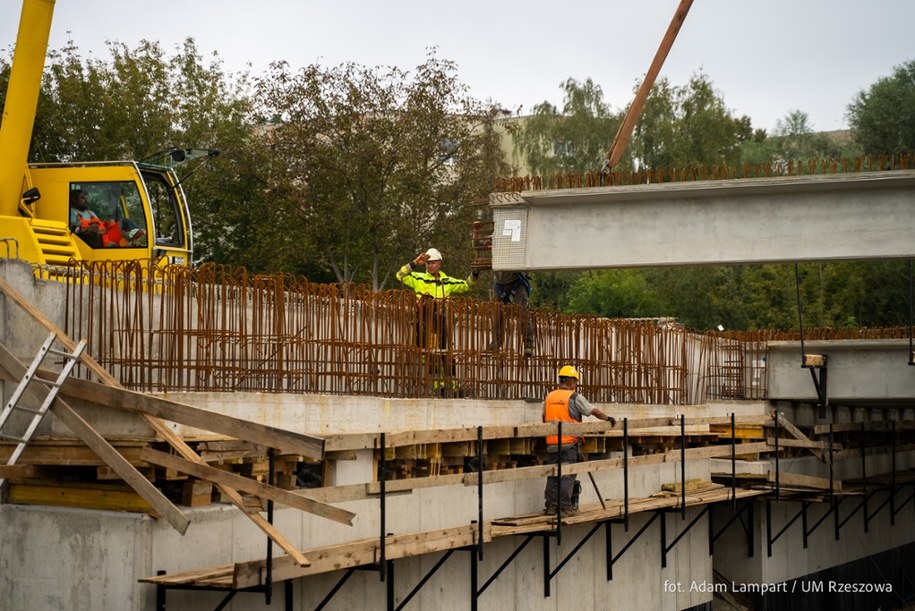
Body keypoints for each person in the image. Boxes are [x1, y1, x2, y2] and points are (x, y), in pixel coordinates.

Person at [397, 248, 476, 395]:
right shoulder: (418, 278)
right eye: (427, 263)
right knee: (430, 355)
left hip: (440, 321)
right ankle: (436, 387)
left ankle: (452, 386)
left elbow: (466, 285)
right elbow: (400, 275)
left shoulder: (447, 281)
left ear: (439, 263)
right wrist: (414, 263)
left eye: (432, 263)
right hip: (424, 322)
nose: (429, 265)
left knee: (446, 354)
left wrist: (475, 274)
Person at [543, 365, 615, 517]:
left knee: (553, 475)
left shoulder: (549, 397)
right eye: (575, 381)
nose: (575, 385)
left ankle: (550, 506)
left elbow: (544, 417)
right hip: (568, 444)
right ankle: (565, 508)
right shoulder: (574, 397)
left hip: (551, 444)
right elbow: (593, 411)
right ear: (570, 381)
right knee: (567, 476)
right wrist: (607, 419)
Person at [490, 271, 534, 356]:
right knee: (497, 313)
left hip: (517, 280)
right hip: (499, 282)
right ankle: (496, 341)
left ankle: (528, 343)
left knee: (522, 311)